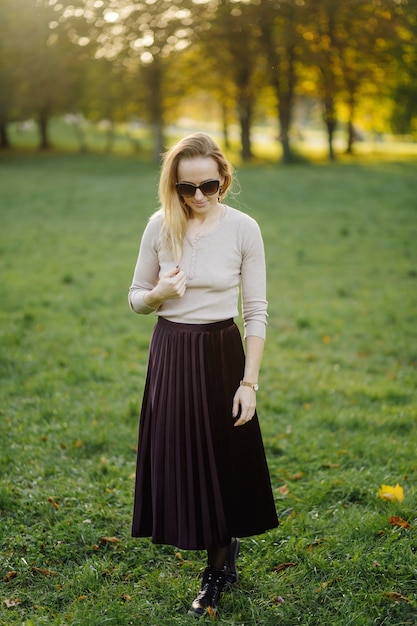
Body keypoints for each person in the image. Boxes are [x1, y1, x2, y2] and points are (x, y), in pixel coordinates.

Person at [128, 132, 278, 618]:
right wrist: (157, 296)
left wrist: (248, 383)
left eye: (208, 186)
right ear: (171, 187)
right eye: (185, 188)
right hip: (171, 349)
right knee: (182, 452)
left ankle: (216, 569)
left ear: (224, 180)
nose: (196, 197)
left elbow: (255, 311)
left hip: (220, 351)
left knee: (222, 457)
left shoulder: (243, 229)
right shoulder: (160, 225)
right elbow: (135, 297)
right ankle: (218, 549)